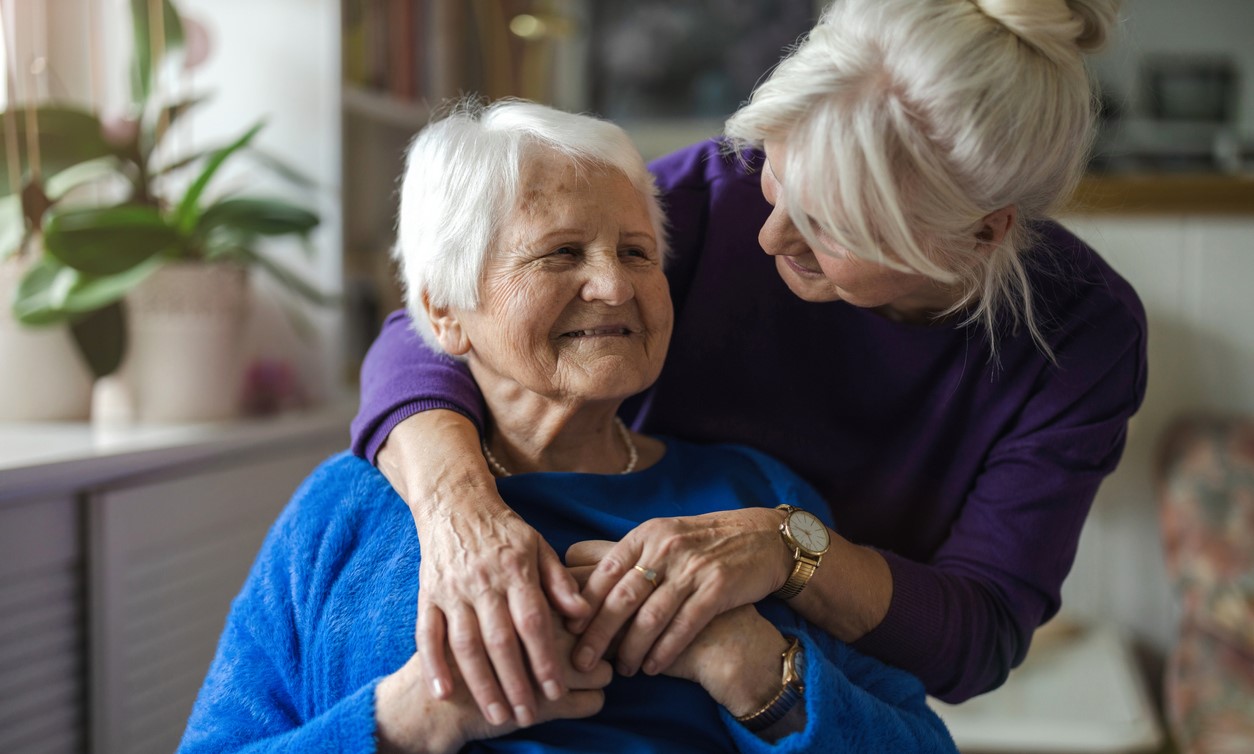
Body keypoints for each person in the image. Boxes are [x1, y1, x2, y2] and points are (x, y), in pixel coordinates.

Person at [351, 0, 1147, 727]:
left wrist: (791, 552)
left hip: (818, 680)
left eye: (830, 226)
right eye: (776, 176)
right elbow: (432, 323)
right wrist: (463, 517)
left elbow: (980, 634)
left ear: (983, 234)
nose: (769, 238)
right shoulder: (716, 193)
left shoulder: (1081, 335)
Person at [178, 100, 958, 753]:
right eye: (560, 254)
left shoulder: (754, 497)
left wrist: (755, 668)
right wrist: (414, 716)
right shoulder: (345, 509)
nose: (615, 284)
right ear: (444, 311)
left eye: (637, 251)